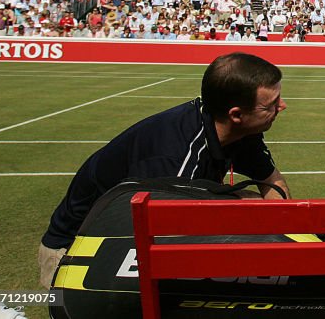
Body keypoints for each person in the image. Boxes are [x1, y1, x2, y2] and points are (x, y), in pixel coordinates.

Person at [38, 52, 290, 288]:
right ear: (236, 115)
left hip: (138, 237)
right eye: (271, 104)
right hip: (82, 251)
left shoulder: (243, 132)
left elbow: (272, 182)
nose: (282, 106)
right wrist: (236, 203)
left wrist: (283, 236)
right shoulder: (175, 157)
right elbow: (168, 240)